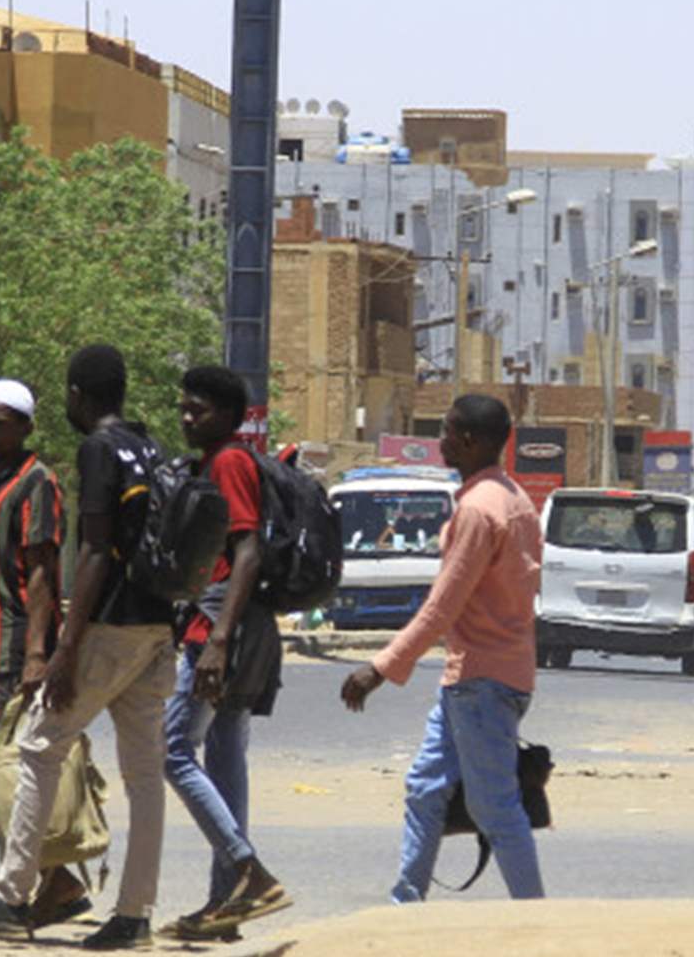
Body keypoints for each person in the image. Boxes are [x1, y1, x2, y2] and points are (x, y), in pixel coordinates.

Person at [0, 345, 178, 949]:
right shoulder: (148, 446)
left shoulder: (98, 449)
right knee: (144, 774)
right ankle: (134, 914)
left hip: (113, 625)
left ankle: (13, 892)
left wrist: (63, 649)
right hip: (157, 625)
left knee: (38, 746)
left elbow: (93, 551)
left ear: (77, 395)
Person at [340, 394, 545, 903]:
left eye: (448, 431)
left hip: (482, 682)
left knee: (495, 808)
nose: (441, 440)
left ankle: (536, 916)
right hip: (482, 677)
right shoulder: (514, 498)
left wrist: (379, 668)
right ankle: (406, 904)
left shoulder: (478, 509)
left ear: (469, 440)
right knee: (425, 788)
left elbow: (441, 607)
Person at [0, 380, 90, 930]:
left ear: (26, 427)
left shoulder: (37, 483)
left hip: (16, 653)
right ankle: (55, 880)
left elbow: (40, 574)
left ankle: (17, 891)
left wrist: (37, 655)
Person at [160, 366, 289, 941]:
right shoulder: (217, 462)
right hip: (240, 626)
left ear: (230, 416)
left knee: (172, 750)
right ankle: (225, 906)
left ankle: (247, 872)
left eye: (200, 409)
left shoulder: (230, 463)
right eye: (185, 408)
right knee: (225, 757)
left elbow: (248, 552)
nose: (188, 418)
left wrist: (216, 639)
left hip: (220, 626)